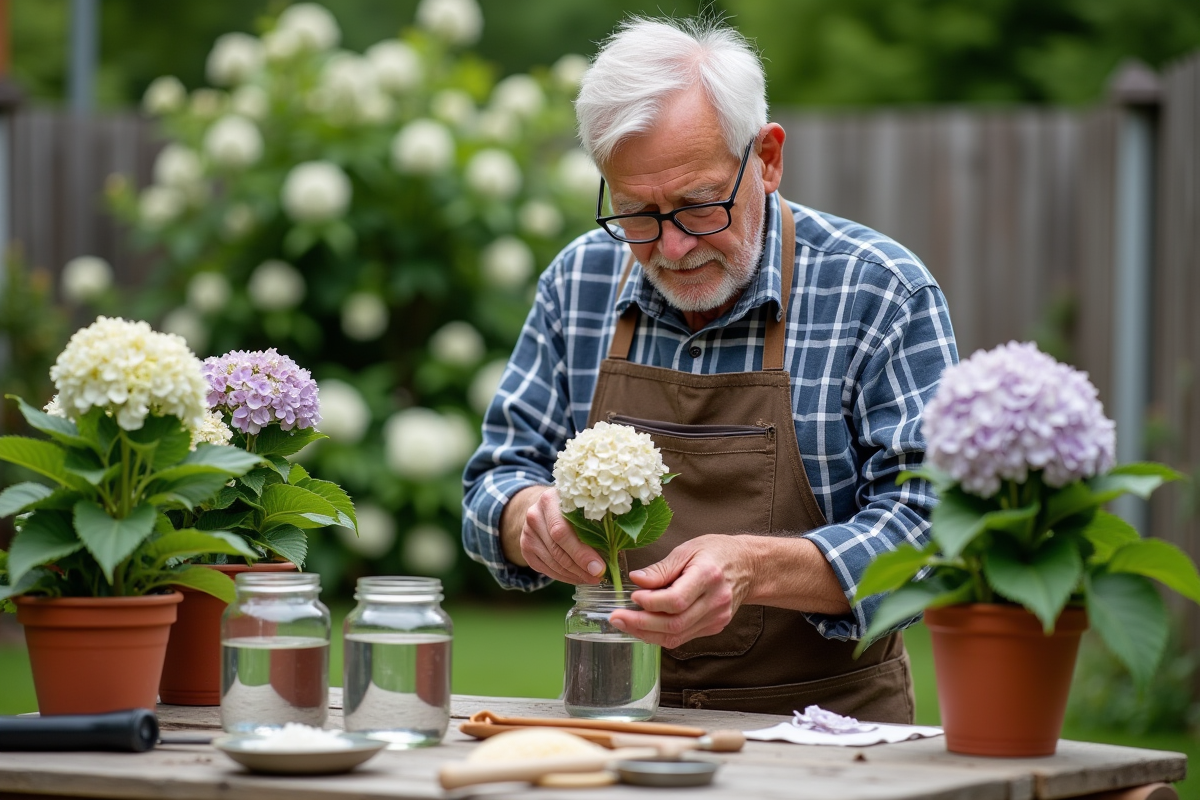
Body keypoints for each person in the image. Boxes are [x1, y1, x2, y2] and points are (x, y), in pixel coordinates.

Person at [462, 16, 958, 722]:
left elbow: (934, 529)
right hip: (619, 721)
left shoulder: (879, 292)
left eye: (697, 206)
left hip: (829, 736)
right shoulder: (579, 282)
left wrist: (755, 567)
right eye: (635, 212)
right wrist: (525, 518)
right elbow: (493, 479)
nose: (669, 246)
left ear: (768, 158)